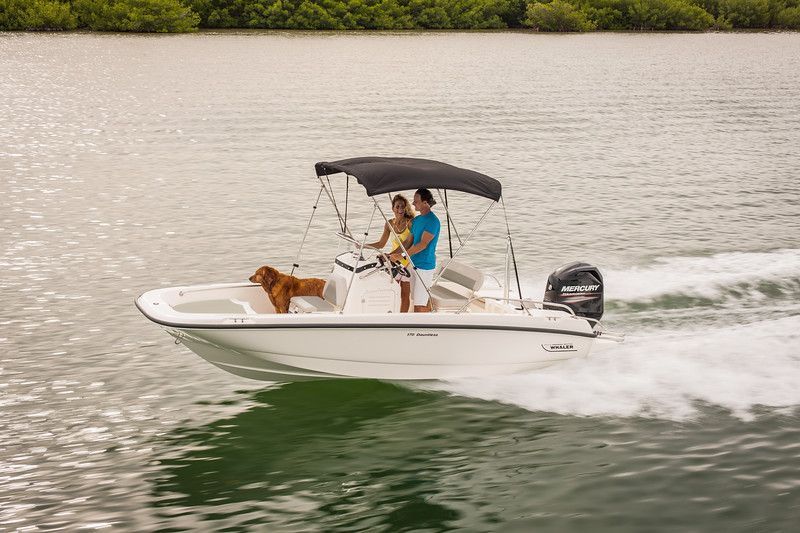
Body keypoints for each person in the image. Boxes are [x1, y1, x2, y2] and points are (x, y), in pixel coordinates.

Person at [390, 188, 440, 313]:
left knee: (419, 305)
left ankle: (425, 323)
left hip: (424, 267)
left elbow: (422, 245)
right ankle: (430, 313)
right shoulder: (416, 220)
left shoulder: (433, 221)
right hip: (413, 265)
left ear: (425, 203)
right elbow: (408, 242)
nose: (412, 203)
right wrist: (391, 254)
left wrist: (402, 256)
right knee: (415, 300)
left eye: (416, 201)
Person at [367, 194, 415, 312]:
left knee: (404, 294)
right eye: (397, 206)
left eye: (402, 206)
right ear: (393, 208)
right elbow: (381, 244)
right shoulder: (389, 224)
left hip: (407, 261)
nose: (400, 209)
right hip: (394, 261)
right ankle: (392, 315)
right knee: (392, 290)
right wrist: (364, 245)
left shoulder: (410, 223)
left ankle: (402, 318)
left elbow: (407, 245)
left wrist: (388, 256)